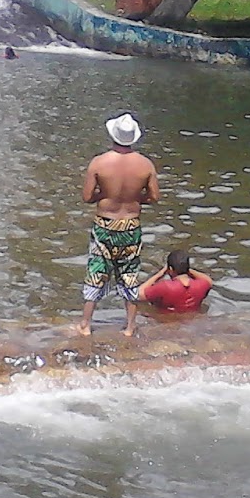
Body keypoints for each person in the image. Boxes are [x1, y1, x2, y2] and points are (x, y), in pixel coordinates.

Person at [79, 113, 160, 337]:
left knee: (96, 270)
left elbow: (86, 197)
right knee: (130, 274)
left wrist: (105, 195)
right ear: (133, 138)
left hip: (105, 224)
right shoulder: (146, 165)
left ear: (113, 135)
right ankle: (130, 327)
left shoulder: (99, 163)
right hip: (131, 226)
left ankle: (86, 324)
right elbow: (154, 197)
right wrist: (134, 199)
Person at [138, 248, 213, 313]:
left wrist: (160, 274)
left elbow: (138, 294)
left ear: (170, 269)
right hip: (193, 319)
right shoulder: (202, 285)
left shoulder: (165, 287)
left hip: (167, 323)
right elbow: (208, 280)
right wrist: (186, 269)